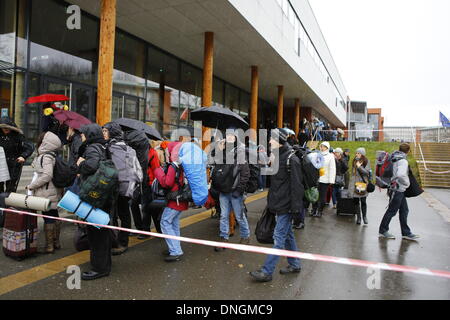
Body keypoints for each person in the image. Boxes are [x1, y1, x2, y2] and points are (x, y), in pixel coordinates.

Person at [250, 128, 303, 282]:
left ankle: (267, 271)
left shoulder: (291, 159)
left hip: (286, 206)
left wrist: (295, 209)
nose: (269, 142)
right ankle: (295, 264)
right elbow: (274, 182)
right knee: (288, 235)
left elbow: (297, 186)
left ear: (279, 141)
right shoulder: (277, 157)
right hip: (278, 203)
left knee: (278, 238)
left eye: (272, 140)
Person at [77, 124, 113, 280]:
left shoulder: (92, 148)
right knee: (102, 231)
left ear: (89, 135)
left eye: (83, 134)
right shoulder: (103, 146)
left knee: (95, 233)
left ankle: (99, 268)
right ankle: (105, 264)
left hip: (94, 195)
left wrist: (80, 164)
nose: (81, 136)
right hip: (103, 194)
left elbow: (91, 165)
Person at [211, 129, 251, 251]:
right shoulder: (222, 151)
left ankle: (245, 236)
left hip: (234, 191)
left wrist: (239, 190)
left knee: (239, 216)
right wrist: (218, 149)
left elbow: (245, 173)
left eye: (231, 136)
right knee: (223, 215)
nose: (229, 138)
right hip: (223, 190)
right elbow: (215, 164)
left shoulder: (239, 153)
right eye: (227, 135)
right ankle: (224, 238)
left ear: (235, 138)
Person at [26, 131, 64, 253]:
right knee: (54, 215)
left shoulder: (46, 156)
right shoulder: (52, 155)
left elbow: (47, 175)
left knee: (48, 218)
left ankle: (49, 246)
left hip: (46, 192)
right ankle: (56, 242)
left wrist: (32, 186)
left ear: (44, 143)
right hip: (53, 191)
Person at [103, 122, 134, 255]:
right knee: (119, 214)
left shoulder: (110, 148)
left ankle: (120, 242)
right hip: (124, 186)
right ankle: (118, 241)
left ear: (112, 132)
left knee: (120, 214)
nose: (103, 133)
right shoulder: (126, 147)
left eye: (105, 131)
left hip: (118, 186)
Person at [153, 142, 188, 262]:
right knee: (174, 224)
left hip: (174, 200)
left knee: (165, 222)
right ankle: (175, 247)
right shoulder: (180, 164)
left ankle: (175, 251)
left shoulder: (173, 165)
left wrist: (157, 171)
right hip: (180, 199)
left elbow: (166, 183)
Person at [379, 144, 419, 240]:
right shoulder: (403, 161)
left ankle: (406, 232)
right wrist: (407, 183)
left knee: (404, 210)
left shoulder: (394, 158)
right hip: (398, 189)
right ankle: (383, 230)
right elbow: (400, 174)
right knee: (392, 211)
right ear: (408, 151)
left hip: (395, 188)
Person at [123, 129, 150, 235]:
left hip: (146, 182)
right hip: (136, 181)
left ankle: (145, 230)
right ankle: (139, 228)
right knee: (134, 204)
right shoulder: (133, 153)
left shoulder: (150, 153)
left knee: (144, 206)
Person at [0, 117, 34, 194]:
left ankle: (9, 204)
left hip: (14, 164)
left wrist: (23, 156)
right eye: (3, 128)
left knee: (11, 187)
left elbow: (29, 147)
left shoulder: (18, 136)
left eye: (7, 127)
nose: (5, 129)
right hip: (1, 164)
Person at [140, 139, 164, 240]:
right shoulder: (142, 153)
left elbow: (156, 169)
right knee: (147, 208)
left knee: (151, 208)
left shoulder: (152, 153)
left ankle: (157, 230)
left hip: (150, 184)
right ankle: (152, 230)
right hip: (145, 183)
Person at [311, 142, 336, 217]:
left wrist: (331, 180)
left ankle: (320, 211)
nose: (321, 148)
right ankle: (314, 210)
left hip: (325, 180)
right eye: (320, 146)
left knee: (322, 197)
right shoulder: (317, 154)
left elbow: (332, 169)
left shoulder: (330, 156)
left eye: (323, 146)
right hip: (316, 179)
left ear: (327, 148)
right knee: (314, 195)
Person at [348, 148, 371, 225]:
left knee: (363, 201)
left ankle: (365, 217)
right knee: (356, 201)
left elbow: (366, 172)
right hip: (355, 183)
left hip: (362, 184)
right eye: (356, 153)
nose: (356, 154)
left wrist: (359, 166)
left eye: (358, 153)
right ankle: (359, 217)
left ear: (362, 154)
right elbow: (352, 173)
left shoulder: (366, 161)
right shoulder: (354, 160)